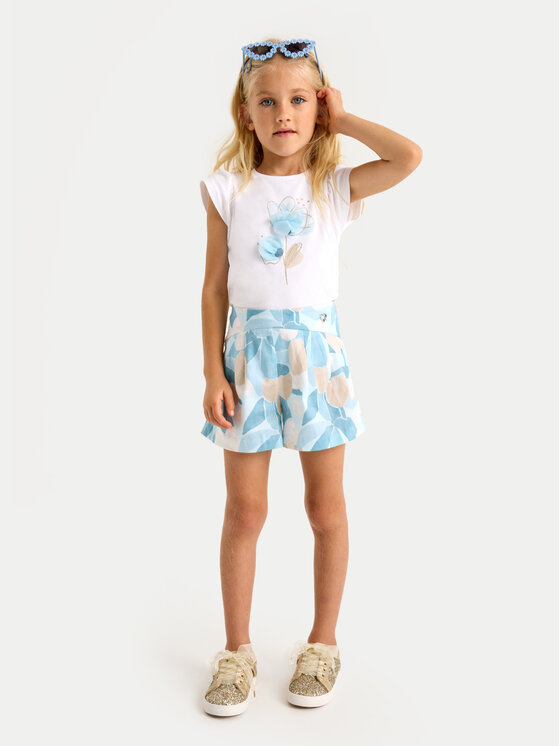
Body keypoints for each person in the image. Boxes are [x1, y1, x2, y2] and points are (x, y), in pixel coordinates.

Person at [199, 38, 422, 716]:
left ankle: (322, 644)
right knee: (245, 512)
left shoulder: (332, 187)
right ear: (245, 113)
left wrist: (344, 121)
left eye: (299, 99)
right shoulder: (228, 189)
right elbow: (214, 289)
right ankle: (236, 652)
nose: (283, 113)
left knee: (325, 510)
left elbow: (407, 158)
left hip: (318, 365)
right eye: (267, 101)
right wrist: (212, 372)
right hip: (247, 363)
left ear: (318, 107)